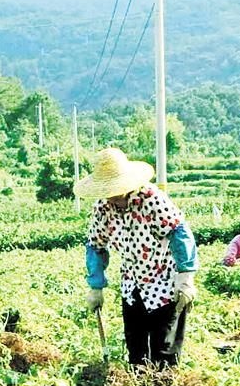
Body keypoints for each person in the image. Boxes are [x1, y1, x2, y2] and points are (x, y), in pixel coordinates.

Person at [78, 148, 198, 367]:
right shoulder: (102, 209)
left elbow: (180, 233)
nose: (113, 195)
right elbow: (95, 246)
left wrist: (185, 278)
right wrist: (96, 286)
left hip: (165, 282)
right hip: (132, 285)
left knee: (164, 347)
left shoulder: (151, 199)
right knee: (136, 348)